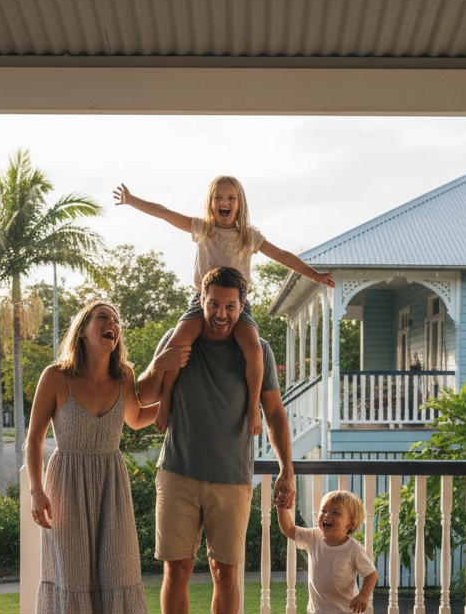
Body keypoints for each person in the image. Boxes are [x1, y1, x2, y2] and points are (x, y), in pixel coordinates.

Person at [136, 265, 296, 614]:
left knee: (227, 574)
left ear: (242, 306)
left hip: (232, 480)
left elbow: (275, 414)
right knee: (177, 570)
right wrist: (159, 361)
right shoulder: (179, 339)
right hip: (179, 472)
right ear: (200, 301)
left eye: (230, 306)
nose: (221, 314)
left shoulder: (255, 349)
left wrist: (287, 467)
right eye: (213, 304)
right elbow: (142, 396)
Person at [26, 301, 189, 614]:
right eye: (104, 318)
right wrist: (35, 490)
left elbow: (135, 419)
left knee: (115, 575)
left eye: (116, 320)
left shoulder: (124, 378)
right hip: (65, 486)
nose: (112, 324)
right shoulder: (56, 377)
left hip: (109, 486)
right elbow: (34, 439)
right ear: (83, 330)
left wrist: (175, 399)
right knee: (72, 582)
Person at [113, 175, 334, 437]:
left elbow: (282, 255)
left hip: (238, 306)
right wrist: (131, 200)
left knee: (253, 348)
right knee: (178, 342)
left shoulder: (248, 236)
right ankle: (166, 403)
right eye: (218, 197)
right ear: (211, 202)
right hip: (202, 302)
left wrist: (314, 275)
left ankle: (253, 407)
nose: (224, 202)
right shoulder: (202, 228)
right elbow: (165, 213)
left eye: (230, 198)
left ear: (239, 204)